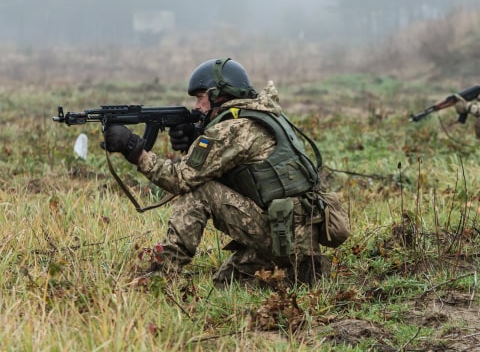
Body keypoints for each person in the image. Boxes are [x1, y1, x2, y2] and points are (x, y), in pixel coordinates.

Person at [102, 58, 348, 287]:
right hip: (293, 232)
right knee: (225, 283)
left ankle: (161, 275)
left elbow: (181, 179)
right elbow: (242, 173)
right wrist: (196, 141)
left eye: (200, 98)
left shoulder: (233, 128)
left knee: (198, 191)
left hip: (281, 232)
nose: (196, 106)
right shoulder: (263, 114)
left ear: (219, 94)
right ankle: (300, 268)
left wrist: (135, 150)